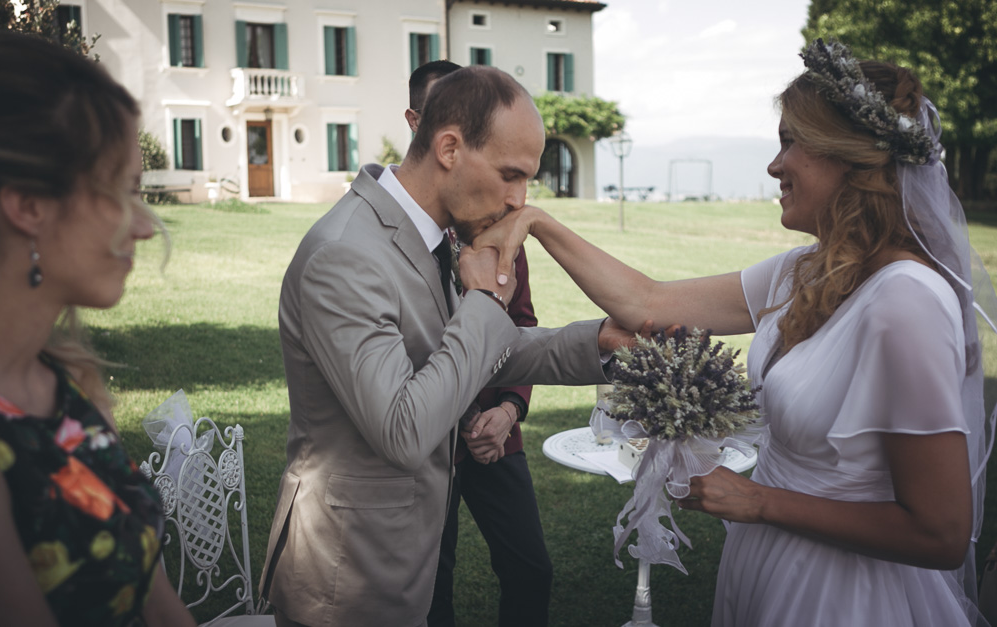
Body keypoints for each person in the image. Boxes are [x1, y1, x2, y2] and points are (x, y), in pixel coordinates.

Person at [474, 39, 995, 626]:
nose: (775, 166)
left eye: (790, 144)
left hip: (843, 593)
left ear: (847, 157)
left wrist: (760, 501)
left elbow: (942, 533)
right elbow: (649, 303)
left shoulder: (906, 301)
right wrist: (537, 222)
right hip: (767, 562)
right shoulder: (807, 271)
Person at [259, 65, 624, 627]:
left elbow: (475, 354)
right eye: (510, 175)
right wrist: (482, 303)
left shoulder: (437, 233)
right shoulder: (345, 254)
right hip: (347, 575)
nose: (517, 202)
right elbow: (403, 430)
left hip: (406, 558)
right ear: (449, 147)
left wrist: (598, 342)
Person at [0, 32, 196, 627]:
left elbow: (157, 601)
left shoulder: (71, 384)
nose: (143, 228)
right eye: (123, 192)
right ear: (30, 204)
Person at [404, 61, 553, 627]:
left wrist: (510, 409)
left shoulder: (495, 223)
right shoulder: (380, 243)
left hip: (496, 436)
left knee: (530, 568)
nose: (516, 197)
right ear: (427, 128)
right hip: (424, 446)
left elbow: (523, 324)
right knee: (429, 585)